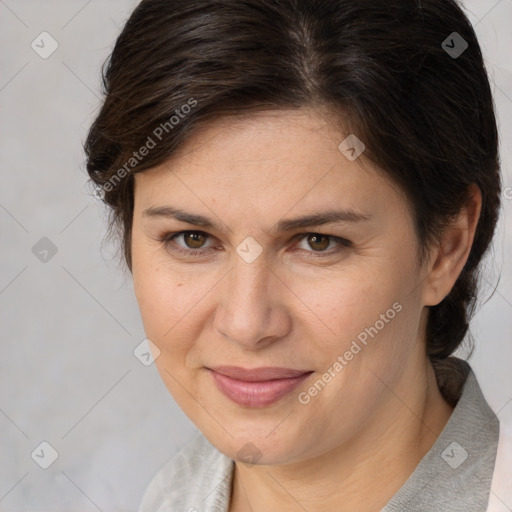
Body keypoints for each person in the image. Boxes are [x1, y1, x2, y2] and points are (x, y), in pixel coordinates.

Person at [84, 0, 512, 510]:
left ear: (447, 246)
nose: (246, 324)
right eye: (192, 239)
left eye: (318, 242)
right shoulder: (166, 496)